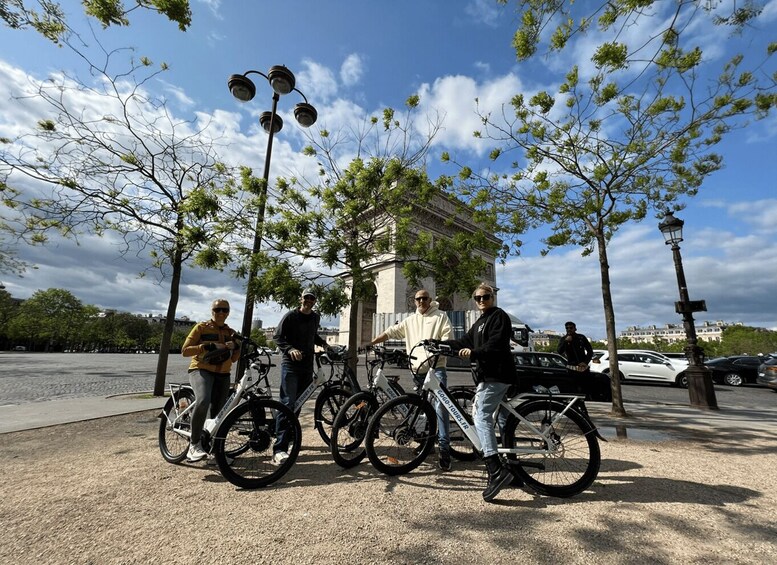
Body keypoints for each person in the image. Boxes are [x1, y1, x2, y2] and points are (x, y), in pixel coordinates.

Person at [441, 283, 517, 502]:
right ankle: (514, 469)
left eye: (485, 297)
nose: (481, 300)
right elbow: (463, 341)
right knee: (503, 421)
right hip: (489, 376)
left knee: (481, 415)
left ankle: (495, 470)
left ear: (492, 297)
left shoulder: (499, 316)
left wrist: (474, 352)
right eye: (477, 298)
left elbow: (496, 344)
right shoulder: (479, 322)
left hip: (497, 375)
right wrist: (440, 344)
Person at [367, 289, 454, 471]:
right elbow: (392, 331)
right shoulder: (410, 320)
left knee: (440, 407)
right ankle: (426, 443)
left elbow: (448, 337)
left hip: (436, 368)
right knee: (422, 409)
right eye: (418, 299)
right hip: (417, 370)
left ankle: (445, 449)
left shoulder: (440, 316)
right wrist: (371, 343)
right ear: (414, 301)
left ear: (430, 300)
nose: (421, 301)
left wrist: (441, 346)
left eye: (424, 298)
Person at [181, 298, 241, 462]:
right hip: (201, 369)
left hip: (223, 374)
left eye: (224, 310)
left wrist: (237, 346)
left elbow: (235, 358)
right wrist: (205, 346)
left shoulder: (231, 332)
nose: (221, 313)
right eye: (217, 309)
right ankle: (194, 445)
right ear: (212, 311)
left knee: (220, 413)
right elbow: (185, 350)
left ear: (228, 313)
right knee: (203, 400)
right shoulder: (201, 327)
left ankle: (215, 451)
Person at [272, 288, 327, 464]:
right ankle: (279, 448)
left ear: (315, 301)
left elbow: (313, 336)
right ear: (300, 298)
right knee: (288, 403)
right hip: (291, 366)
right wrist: (290, 349)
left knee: (299, 403)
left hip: (306, 366)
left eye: (312, 298)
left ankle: (290, 438)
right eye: (306, 297)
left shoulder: (315, 317)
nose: (309, 300)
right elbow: (278, 336)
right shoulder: (290, 316)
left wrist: (325, 344)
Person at [556, 321, 595, 398]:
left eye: (571, 328)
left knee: (585, 388)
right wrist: (565, 342)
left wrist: (585, 362)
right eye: (567, 328)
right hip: (571, 368)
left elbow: (590, 351)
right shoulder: (564, 339)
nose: (569, 329)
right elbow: (559, 351)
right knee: (572, 388)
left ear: (575, 328)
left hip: (583, 367)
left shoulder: (581, 338)